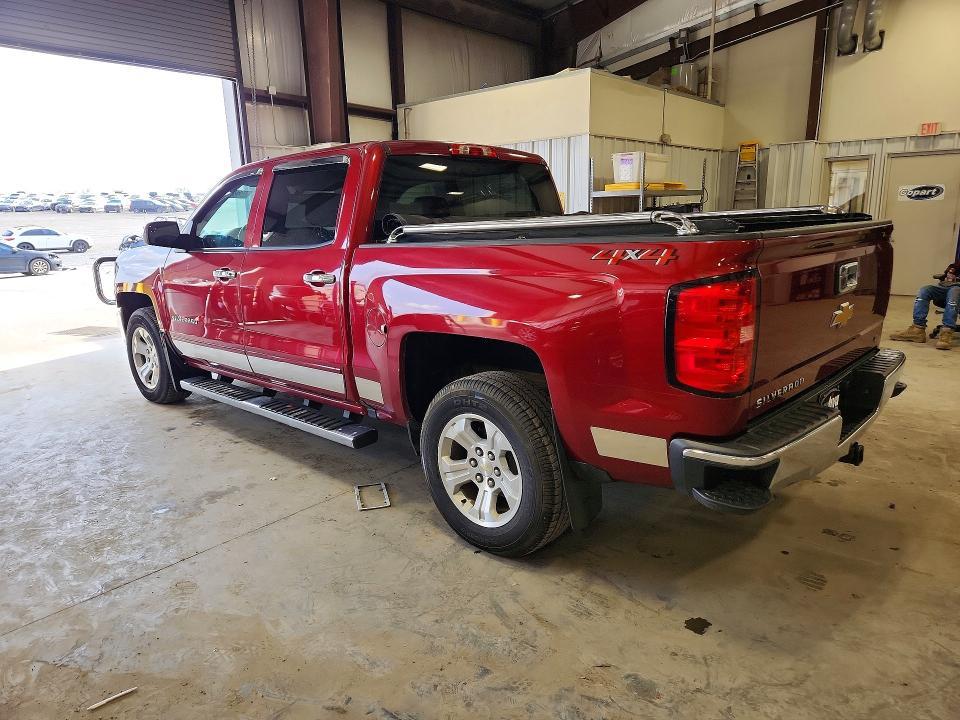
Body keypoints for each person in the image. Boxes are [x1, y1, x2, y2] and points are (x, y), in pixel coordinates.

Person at [890, 262, 960, 350]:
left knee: (954, 292)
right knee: (925, 290)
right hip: (945, 287)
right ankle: (918, 329)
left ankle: (947, 332)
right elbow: (948, 272)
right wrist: (948, 274)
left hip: (957, 289)